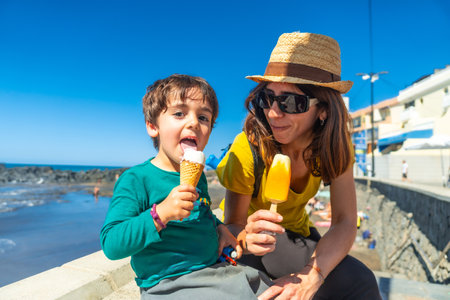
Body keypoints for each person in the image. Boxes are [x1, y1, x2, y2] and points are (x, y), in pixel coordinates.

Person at [216, 32, 381, 299]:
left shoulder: (334, 148)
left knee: (361, 281)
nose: (273, 113)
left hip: (297, 236)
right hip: (250, 239)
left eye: (291, 102)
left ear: (324, 109)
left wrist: (311, 275)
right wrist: (247, 233)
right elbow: (233, 224)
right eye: (267, 98)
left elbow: (345, 221)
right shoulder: (248, 147)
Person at [100, 74, 272, 299]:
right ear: (153, 126)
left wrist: (219, 228)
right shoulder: (136, 179)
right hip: (169, 284)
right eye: (179, 113)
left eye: (203, 117)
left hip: (215, 271)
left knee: (271, 289)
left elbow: (203, 213)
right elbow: (112, 243)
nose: (193, 122)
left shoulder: (197, 176)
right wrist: (160, 214)